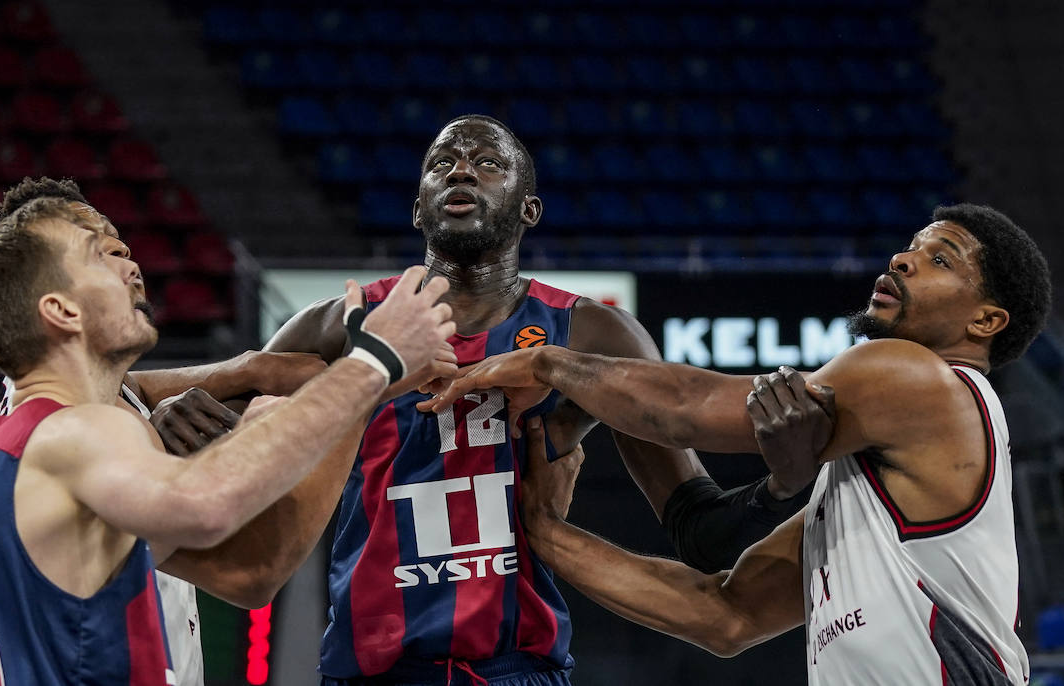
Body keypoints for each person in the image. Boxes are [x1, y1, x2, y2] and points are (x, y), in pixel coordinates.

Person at [267, 114, 831, 685]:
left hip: (517, 668)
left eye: (488, 163)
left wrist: (777, 487)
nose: (460, 169)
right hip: (368, 668)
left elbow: (701, 533)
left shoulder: (592, 333)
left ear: (528, 210)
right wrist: (193, 401)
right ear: (418, 208)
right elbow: (232, 464)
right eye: (442, 164)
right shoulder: (343, 322)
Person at [430, 203, 1051, 685]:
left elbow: (684, 408)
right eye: (911, 246)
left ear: (986, 322)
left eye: (939, 259)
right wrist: (541, 529)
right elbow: (724, 615)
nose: (902, 260)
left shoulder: (916, 376)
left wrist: (548, 365)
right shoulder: (866, 495)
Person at [0, 190, 456, 684]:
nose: (131, 265)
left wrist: (247, 383)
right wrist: (373, 364)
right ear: (62, 310)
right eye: (99, 255)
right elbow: (218, 521)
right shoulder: (74, 432)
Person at [0, 177, 333, 686]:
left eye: (122, 245)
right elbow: (254, 571)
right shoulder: (76, 442)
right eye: (99, 251)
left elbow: (132, 388)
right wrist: (355, 388)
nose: (130, 261)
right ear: (53, 299)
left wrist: (242, 371)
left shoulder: (39, 420)